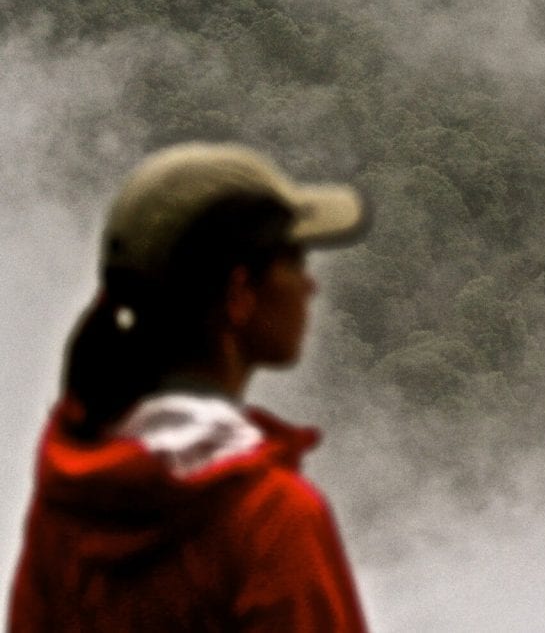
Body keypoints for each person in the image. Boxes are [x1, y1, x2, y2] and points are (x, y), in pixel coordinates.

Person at [7, 142, 371, 632]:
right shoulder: (272, 517)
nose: (310, 286)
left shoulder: (73, 499)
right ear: (239, 294)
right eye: (294, 261)